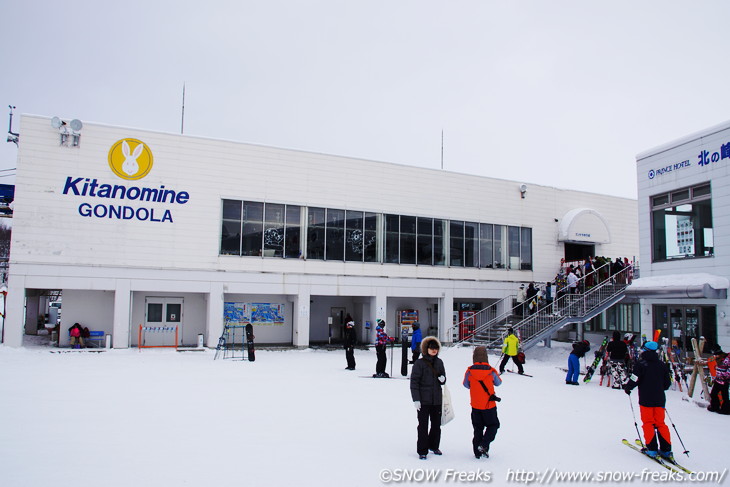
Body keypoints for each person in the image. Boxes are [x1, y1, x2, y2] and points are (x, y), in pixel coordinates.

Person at [624, 341, 673, 460]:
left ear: (645, 350)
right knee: (661, 423)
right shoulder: (662, 365)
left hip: (646, 399)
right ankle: (666, 450)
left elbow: (634, 378)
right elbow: (667, 384)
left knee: (648, 423)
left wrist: (628, 387)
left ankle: (652, 449)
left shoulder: (641, 364)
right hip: (660, 399)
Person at [410, 336, 446, 459]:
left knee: (436, 425)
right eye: (431, 348)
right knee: (423, 426)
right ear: (426, 349)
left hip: (436, 400)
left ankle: (434, 445)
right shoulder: (419, 363)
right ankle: (422, 450)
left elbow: (443, 378)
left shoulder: (439, 362)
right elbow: (414, 382)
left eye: (435, 348)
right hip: (423, 401)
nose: (434, 350)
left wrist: (443, 379)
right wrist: (416, 399)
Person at [463, 346, 502, 458]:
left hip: (475, 405)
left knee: (478, 428)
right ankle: (484, 444)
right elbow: (498, 383)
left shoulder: (469, 371)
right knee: (493, 425)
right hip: (489, 405)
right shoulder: (491, 371)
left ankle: (477, 452)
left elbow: (466, 385)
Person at [708, 345, 730, 415]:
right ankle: (715, 406)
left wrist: (725, 376)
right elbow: (717, 369)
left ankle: (726, 410)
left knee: (725, 396)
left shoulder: (727, 359)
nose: (715, 357)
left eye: (716, 355)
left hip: (724, 381)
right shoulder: (717, 359)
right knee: (713, 394)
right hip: (718, 380)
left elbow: (729, 369)